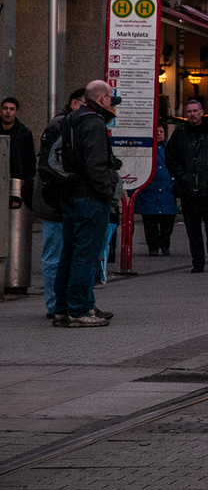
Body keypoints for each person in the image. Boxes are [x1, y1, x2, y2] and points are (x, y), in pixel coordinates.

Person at [54, 81, 120, 327]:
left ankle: (64, 308)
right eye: (111, 98)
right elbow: (96, 164)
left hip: (70, 194)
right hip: (89, 197)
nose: (112, 103)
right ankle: (79, 310)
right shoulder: (94, 123)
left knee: (69, 253)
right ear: (102, 99)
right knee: (86, 255)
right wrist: (107, 191)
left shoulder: (72, 119)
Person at [35, 89, 85, 322]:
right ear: (74, 103)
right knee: (55, 254)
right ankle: (55, 303)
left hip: (61, 199)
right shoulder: (60, 126)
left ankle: (61, 302)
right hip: (56, 200)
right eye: (85, 104)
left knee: (63, 254)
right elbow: (53, 166)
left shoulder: (72, 125)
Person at [166, 98, 208, 272]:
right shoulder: (180, 133)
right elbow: (170, 156)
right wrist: (181, 175)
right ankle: (198, 261)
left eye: (195, 111)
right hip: (188, 189)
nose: (192, 115)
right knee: (192, 228)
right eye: (189, 112)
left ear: (201, 112)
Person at [136, 122, 179, 256]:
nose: (159, 134)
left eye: (161, 131)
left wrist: (175, 182)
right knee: (150, 222)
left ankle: (165, 244)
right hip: (150, 189)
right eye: (156, 131)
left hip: (167, 188)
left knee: (168, 221)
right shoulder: (146, 148)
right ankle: (153, 246)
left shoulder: (171, 148)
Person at [0, 95, 36, 212]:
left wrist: (25, 187)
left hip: (16, 181)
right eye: (5, 108)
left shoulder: (24, 133)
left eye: (11, 109)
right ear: (1, 111)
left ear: (16, 113)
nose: (8, 112)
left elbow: (30, 161)